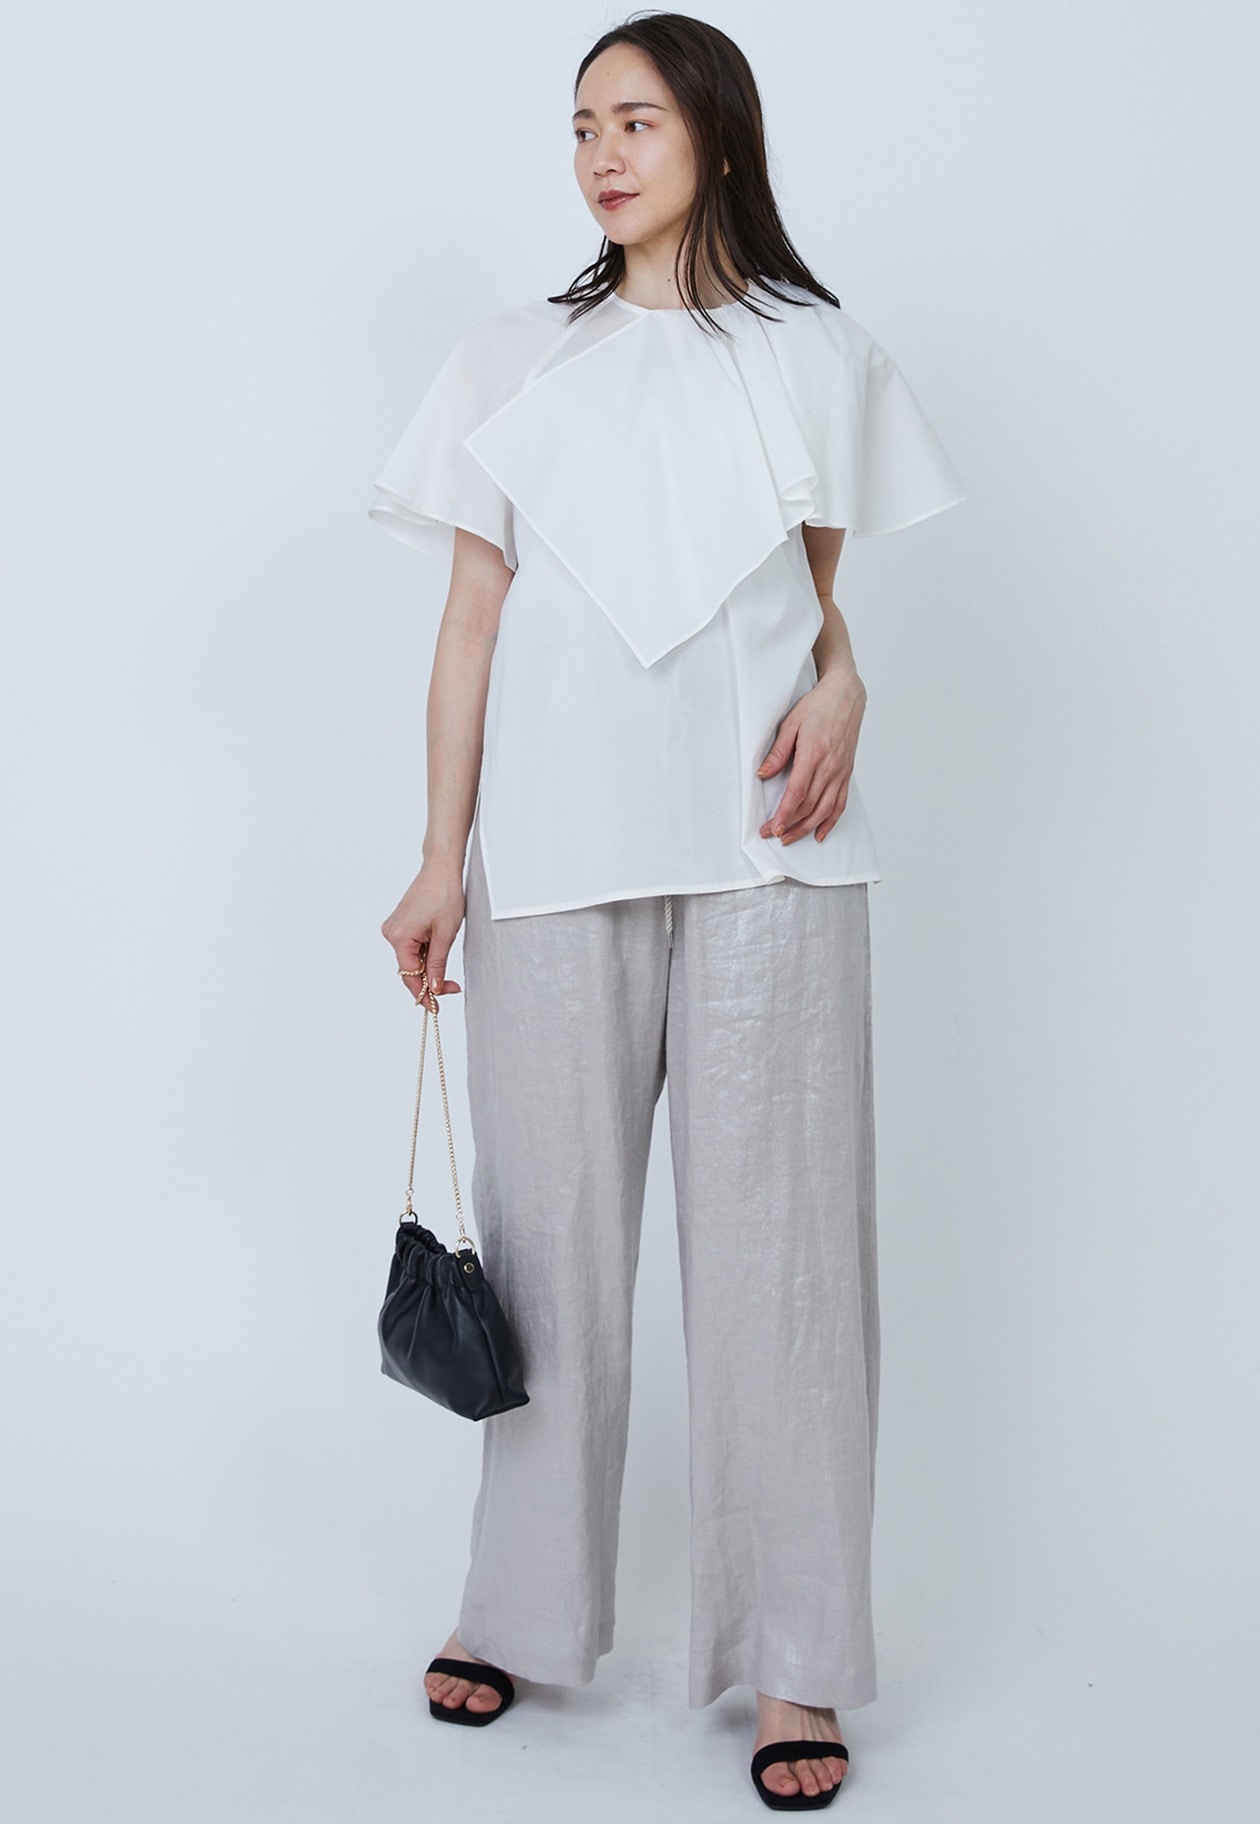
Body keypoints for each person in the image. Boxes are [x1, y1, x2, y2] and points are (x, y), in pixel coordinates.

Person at [369, 11, 967, 1810]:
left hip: (771, 846)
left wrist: (850, 681)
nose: (602, 155)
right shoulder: (511, 359)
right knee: (547, 1258)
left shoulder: (818, 352)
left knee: (787, 1268)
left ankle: (797, 1665)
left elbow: (814, 602)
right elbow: (470, 625)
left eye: (635, 119)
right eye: (581, 127)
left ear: (716, 131)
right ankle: (517, 1609)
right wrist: (438, 854)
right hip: (552, 848)